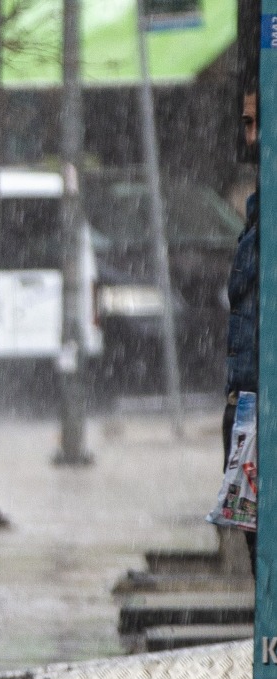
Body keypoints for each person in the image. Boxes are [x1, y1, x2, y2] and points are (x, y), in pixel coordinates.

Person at [225, 85, 260, 570]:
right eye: (246, 124)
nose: (250, 139)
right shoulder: (257, 210)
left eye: (259, 123)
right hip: (249, 414)